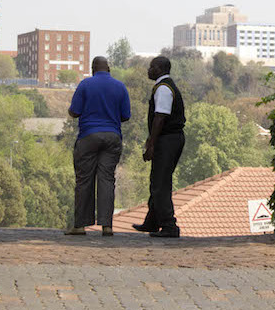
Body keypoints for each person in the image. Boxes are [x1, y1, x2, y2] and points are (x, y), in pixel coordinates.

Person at [65, 56, 131, 236]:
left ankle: (80, 226)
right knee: (107, 180)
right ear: (108, 68)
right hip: (112, 137)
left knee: (84, 180)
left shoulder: (85, 85)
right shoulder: (120, 86)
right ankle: (107, 226)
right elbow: (126, 115)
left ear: (92, 68)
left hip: (88, 136)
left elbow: (74, 111)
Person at [133, 55, 186, 238]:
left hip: (167, 139)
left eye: (151, 67)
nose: (148, 70)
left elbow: (160, 118)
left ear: (159, 69)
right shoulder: (165, 86)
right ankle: (152, 222)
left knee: (160, 183)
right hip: (171, 138)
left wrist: (151, 144)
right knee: (158, 180)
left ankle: (169, 225)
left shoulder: (163, 88)